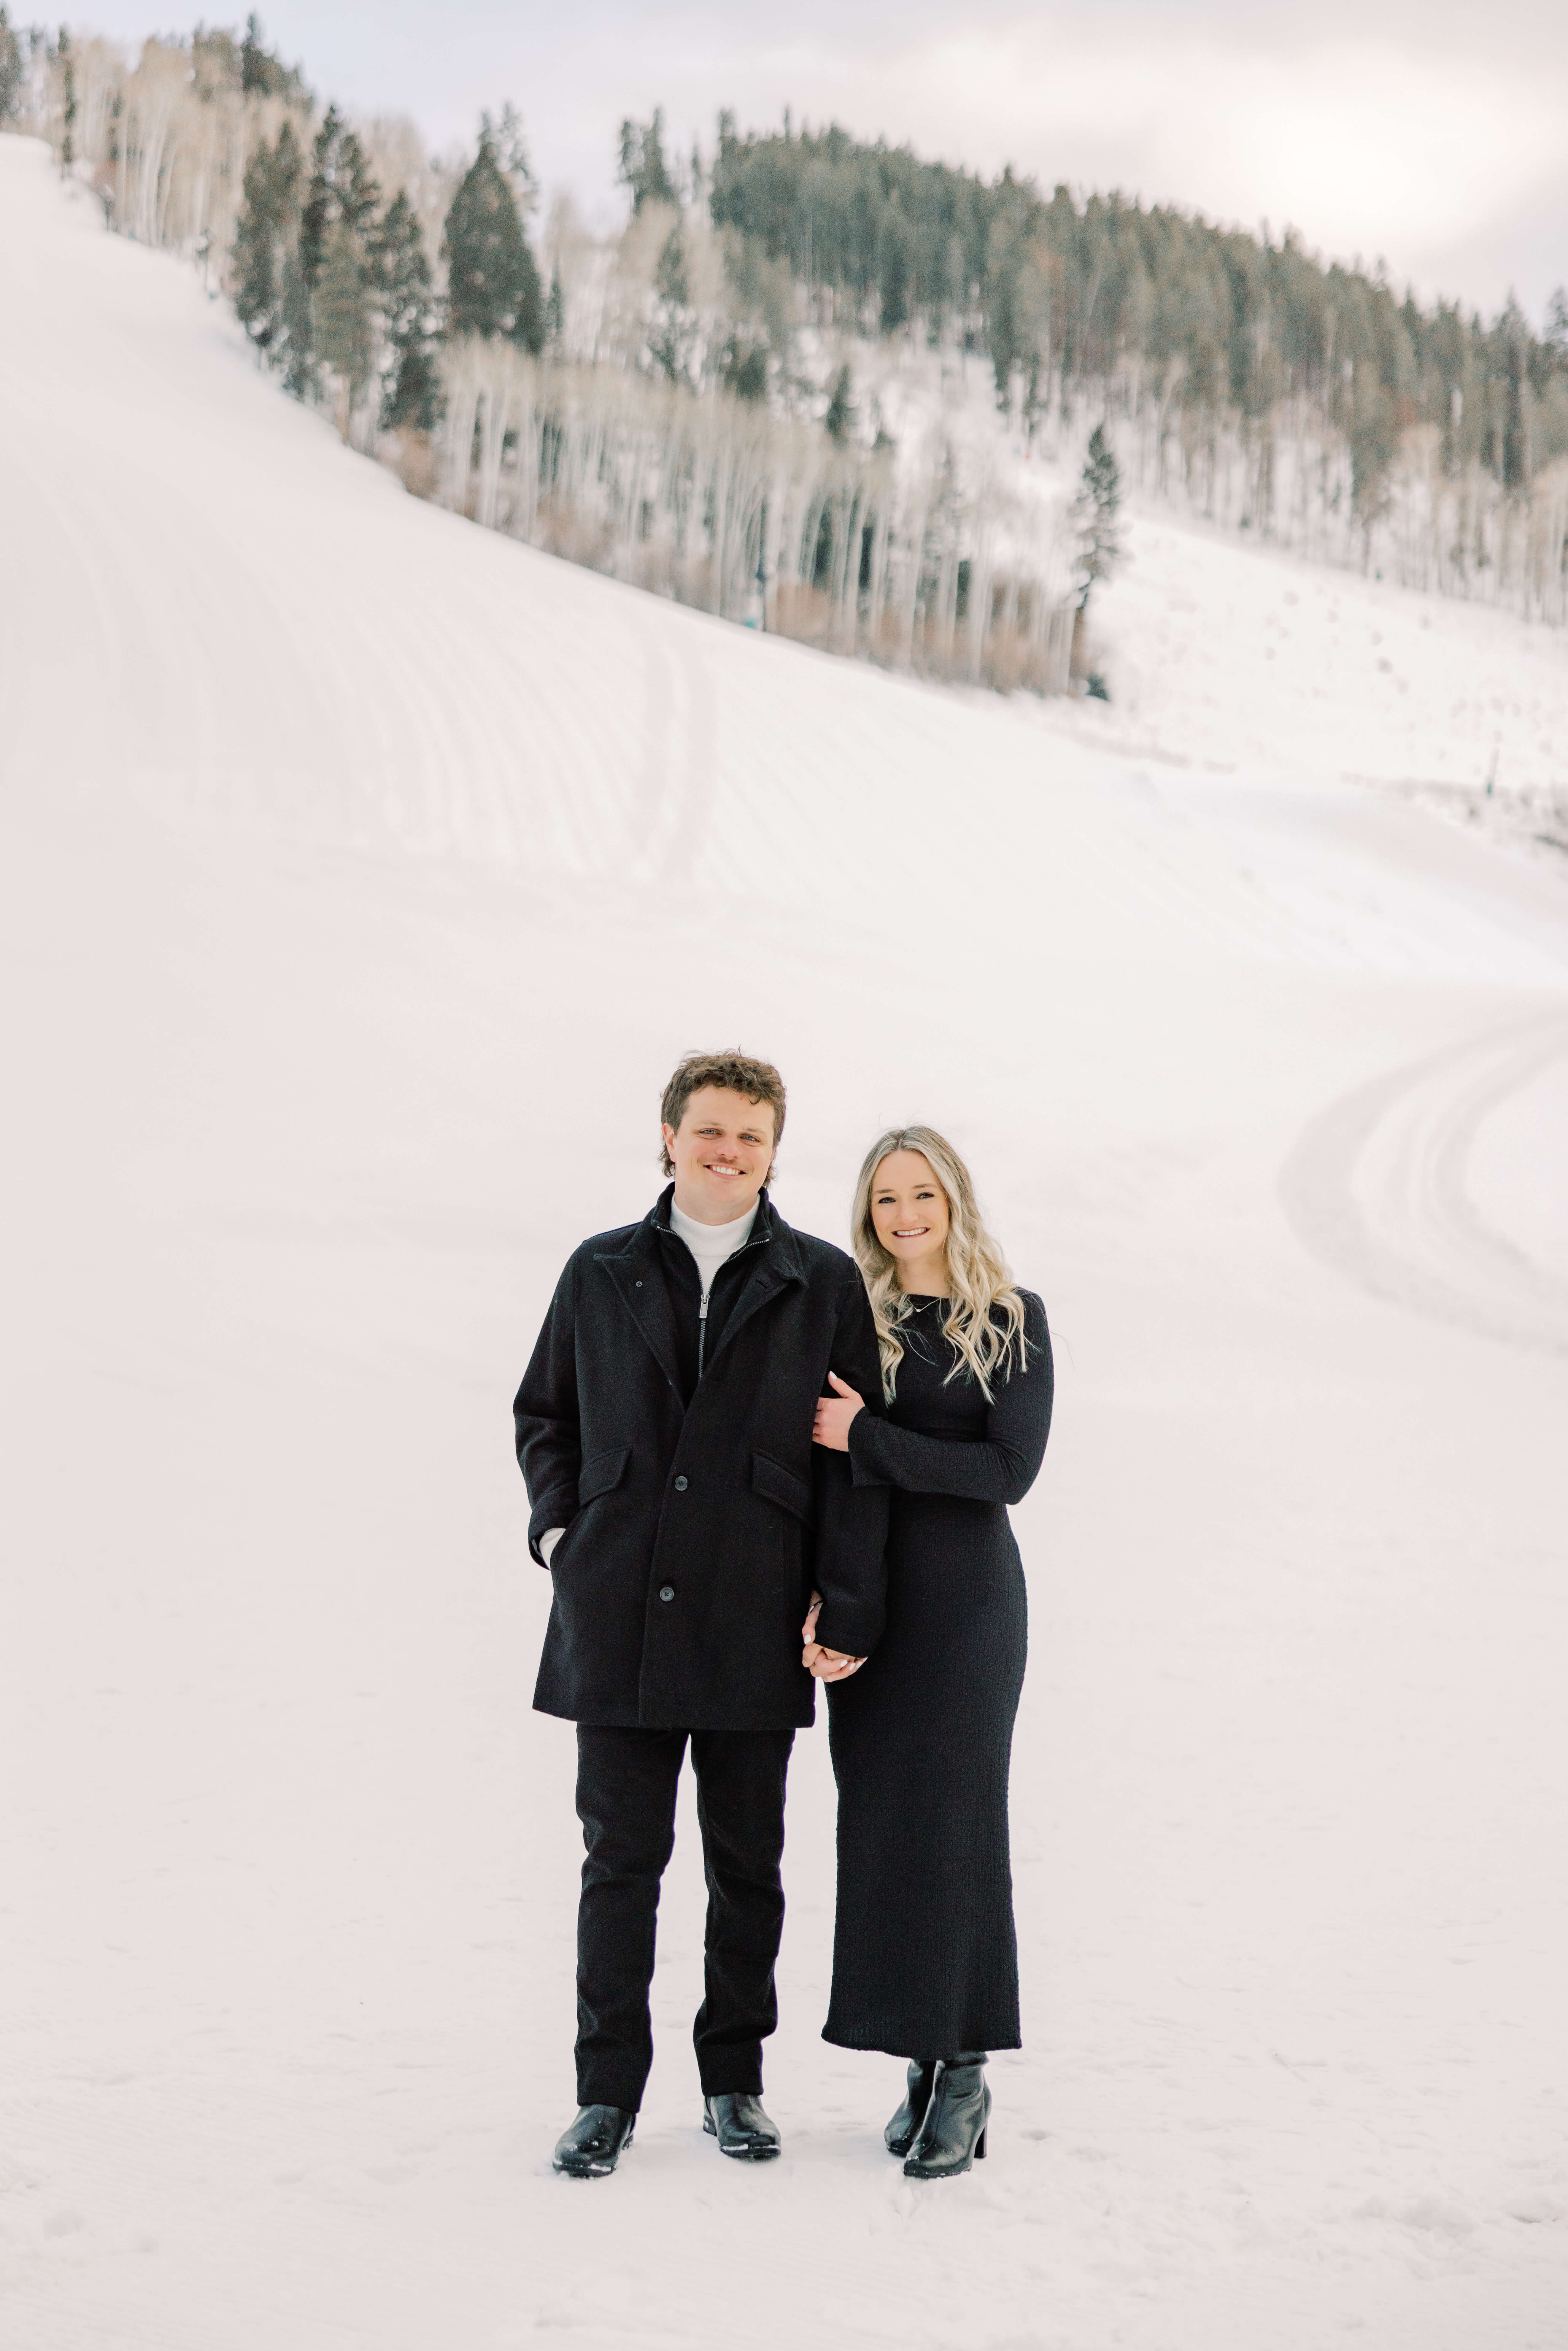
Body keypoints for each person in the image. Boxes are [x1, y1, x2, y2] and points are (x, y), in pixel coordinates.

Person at [514, 1051, 889, 2178]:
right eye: (711, 1130)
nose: (729, 1152)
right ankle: (605, 2096)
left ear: (776, 1153)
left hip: (753, 1609)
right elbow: (545, 1414)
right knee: (619, 1861)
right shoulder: (600, 1269)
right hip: (618, 1608)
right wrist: (560, 1531)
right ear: (669, 1135)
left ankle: (735, 2081)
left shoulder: (819, 1280)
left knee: (748, 1864)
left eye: (752, 1138)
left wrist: (847, 1597)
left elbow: (850, 1462)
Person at [804, 1126, 1052, 2180]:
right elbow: (816, 1469)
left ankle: (966, 2069)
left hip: (966, 1609)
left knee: (957, 1827)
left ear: (955, 1201)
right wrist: (822, 1600)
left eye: (923, 1195)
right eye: (886, 1198)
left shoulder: (1010, 1318)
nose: (905, 1215)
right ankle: (918, 2052)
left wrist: (870, 1438)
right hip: (871, 1607)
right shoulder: (851, 1316)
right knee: (886, 1828)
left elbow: (1006, 1471)